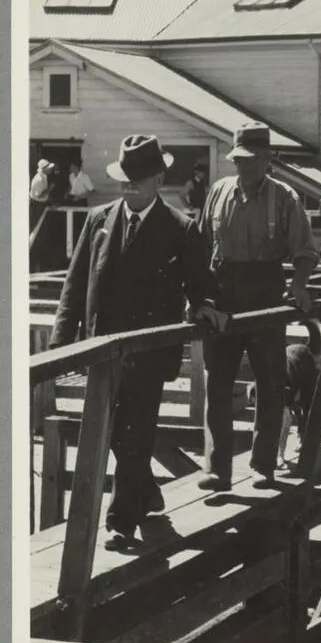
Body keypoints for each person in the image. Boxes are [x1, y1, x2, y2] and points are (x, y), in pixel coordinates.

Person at [48, 135, 220, 549]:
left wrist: (205, 307)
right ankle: (146, 492)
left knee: (138, 432)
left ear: (158, 179)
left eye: (137, 180)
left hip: (149, 353)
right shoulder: (98, 220)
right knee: (108, 433)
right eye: (124, 179)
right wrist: (60, 343)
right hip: (102, 352)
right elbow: (74, 288)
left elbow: (201, 284)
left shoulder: (181, 228)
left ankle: (120, 521)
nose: (128, 187)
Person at [198, 122, 319, 489]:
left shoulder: (285, 197)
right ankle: (218, 469)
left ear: (268, 160)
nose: (245, 167)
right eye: (239, 160)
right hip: (222, 293)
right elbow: (201, 246)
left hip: (266, 289)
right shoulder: (218, 192)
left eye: (252, 160)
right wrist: (199, 297)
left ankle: (263, 464)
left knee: (270, 383)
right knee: (217, 384)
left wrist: (298, 285)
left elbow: (304, 250)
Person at [29, 158, 54, 231]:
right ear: (45, 169)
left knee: (42, 226)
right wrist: (50, 188)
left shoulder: (44, 176)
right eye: (49, 168)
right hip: (37, 206)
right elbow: (39, 196)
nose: (51, 169)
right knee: (37, 227)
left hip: (41, 204)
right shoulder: (39, 179)